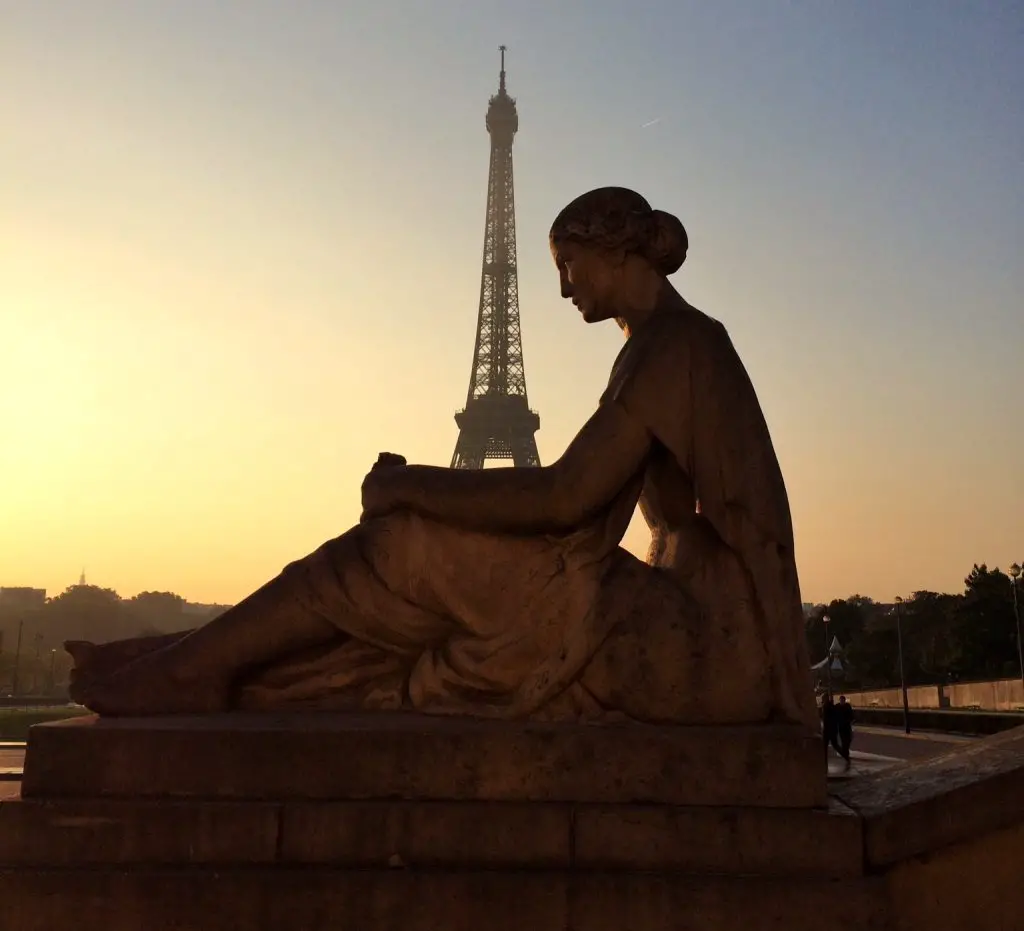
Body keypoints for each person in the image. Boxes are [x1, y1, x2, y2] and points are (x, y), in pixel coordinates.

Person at [66, 187, 817, 731]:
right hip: (665, 617)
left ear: (617, 254)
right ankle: (193, 660)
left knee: (405, 544)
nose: (562, 288)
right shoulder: (663, 345)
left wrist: (409, 485)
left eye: (572, 265)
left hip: (696, 647)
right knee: (407, 586)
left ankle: (197, 668)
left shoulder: (677, 346)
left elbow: (563, 498)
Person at [835, 694, 855, 762]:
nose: (842, 701)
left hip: (847, 726)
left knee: (848, 740)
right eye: (841, 700)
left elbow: (851, 715)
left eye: (842, 700)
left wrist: (851, 721)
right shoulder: (837, 706)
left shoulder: (847, 706)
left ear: (844, 700)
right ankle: (845, 753)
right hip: (841, 727)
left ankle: (845, 752)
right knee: (844, 740)